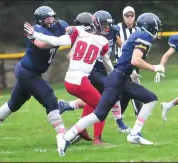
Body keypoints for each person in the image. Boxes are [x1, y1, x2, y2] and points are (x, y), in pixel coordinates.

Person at [57, 13, 164, 156]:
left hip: (121, 78)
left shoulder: (137, 35)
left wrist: (131, 73)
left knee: (151, 98)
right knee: (98, 114)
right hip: (117, 79)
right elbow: (135, 60)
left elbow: (126, 54)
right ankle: (66, 137)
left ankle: (135, 134)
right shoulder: (144, 37)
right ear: (151, 26)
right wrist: (154, 67)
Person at [0, 6, 69, 150]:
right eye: (47, 18)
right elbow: (41, 44)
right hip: (26, 71)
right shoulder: (34, 30)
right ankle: (63, 135)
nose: (51, 20)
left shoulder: (62, 26)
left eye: (52, 17)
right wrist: (59, 41)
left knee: (14, 104)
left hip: (32, 72)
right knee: (50, 99)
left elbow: (71, 32)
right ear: (40, 21)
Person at [58, 10, 131, 143]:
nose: (107, 28)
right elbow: (71, 55)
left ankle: (74, 117)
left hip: (104, 70)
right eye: (104, 25)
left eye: (108, 25)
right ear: (96, 24)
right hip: (93, 71)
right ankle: (109, 129)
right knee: (106, 100)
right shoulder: (90, 36)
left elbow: (122, 47)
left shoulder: (113, 32)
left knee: (96, 101)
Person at [115, 6, 144, 116]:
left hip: (135, 62)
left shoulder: (139, 28)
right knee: (133, 87)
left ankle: (119, 115)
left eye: (132, 16)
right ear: (123, 17)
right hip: (122, 64)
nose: (130, 18)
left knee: (127, 91)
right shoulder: (117, 28)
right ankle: (139, 112)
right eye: (127, 16)